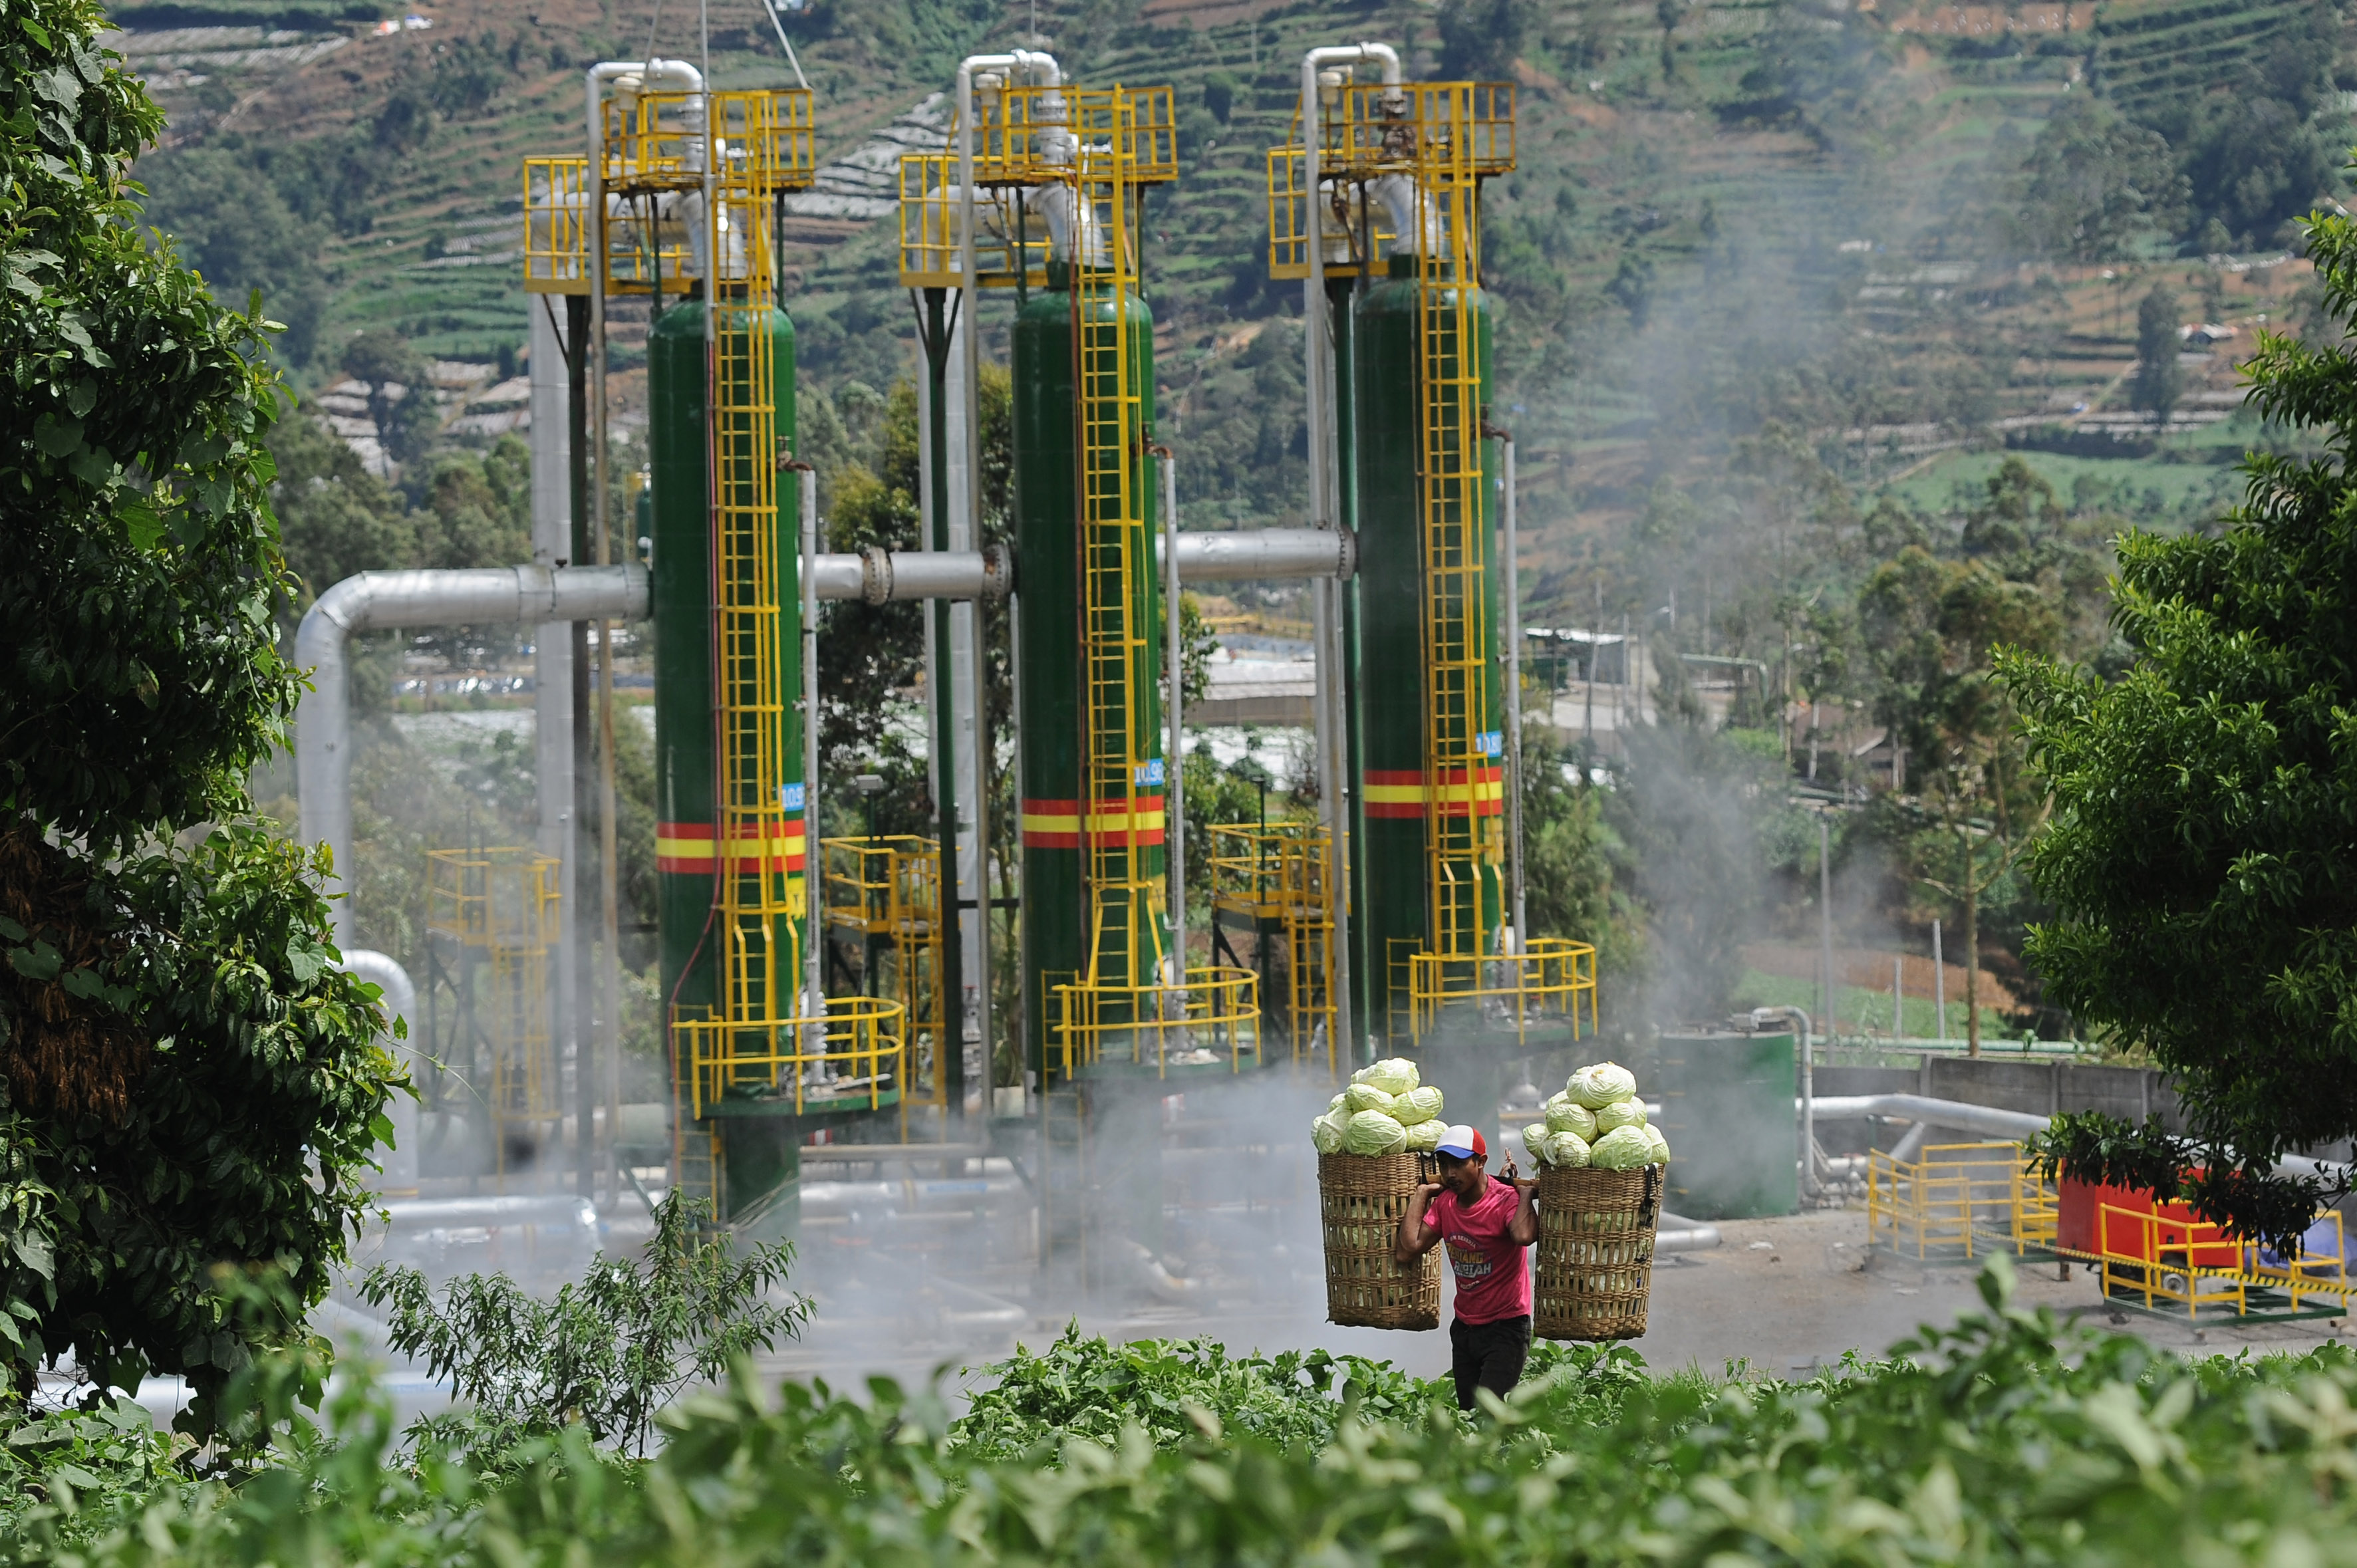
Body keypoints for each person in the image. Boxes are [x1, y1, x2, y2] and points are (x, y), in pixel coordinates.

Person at [1393, 1124, 1540, 1410]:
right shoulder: (1446, 1204)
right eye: (1444, 1165)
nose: (1450, 1174)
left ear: (1481, 1162)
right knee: (1467, 1415)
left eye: (1459, 1165)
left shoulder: (1504, 1199)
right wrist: (1423, 1193)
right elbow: (1407, 1250)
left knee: (1488, 1415)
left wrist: (1524, 1197)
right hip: (1465, 1330)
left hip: (1506, 1328)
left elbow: (1523, 1236)